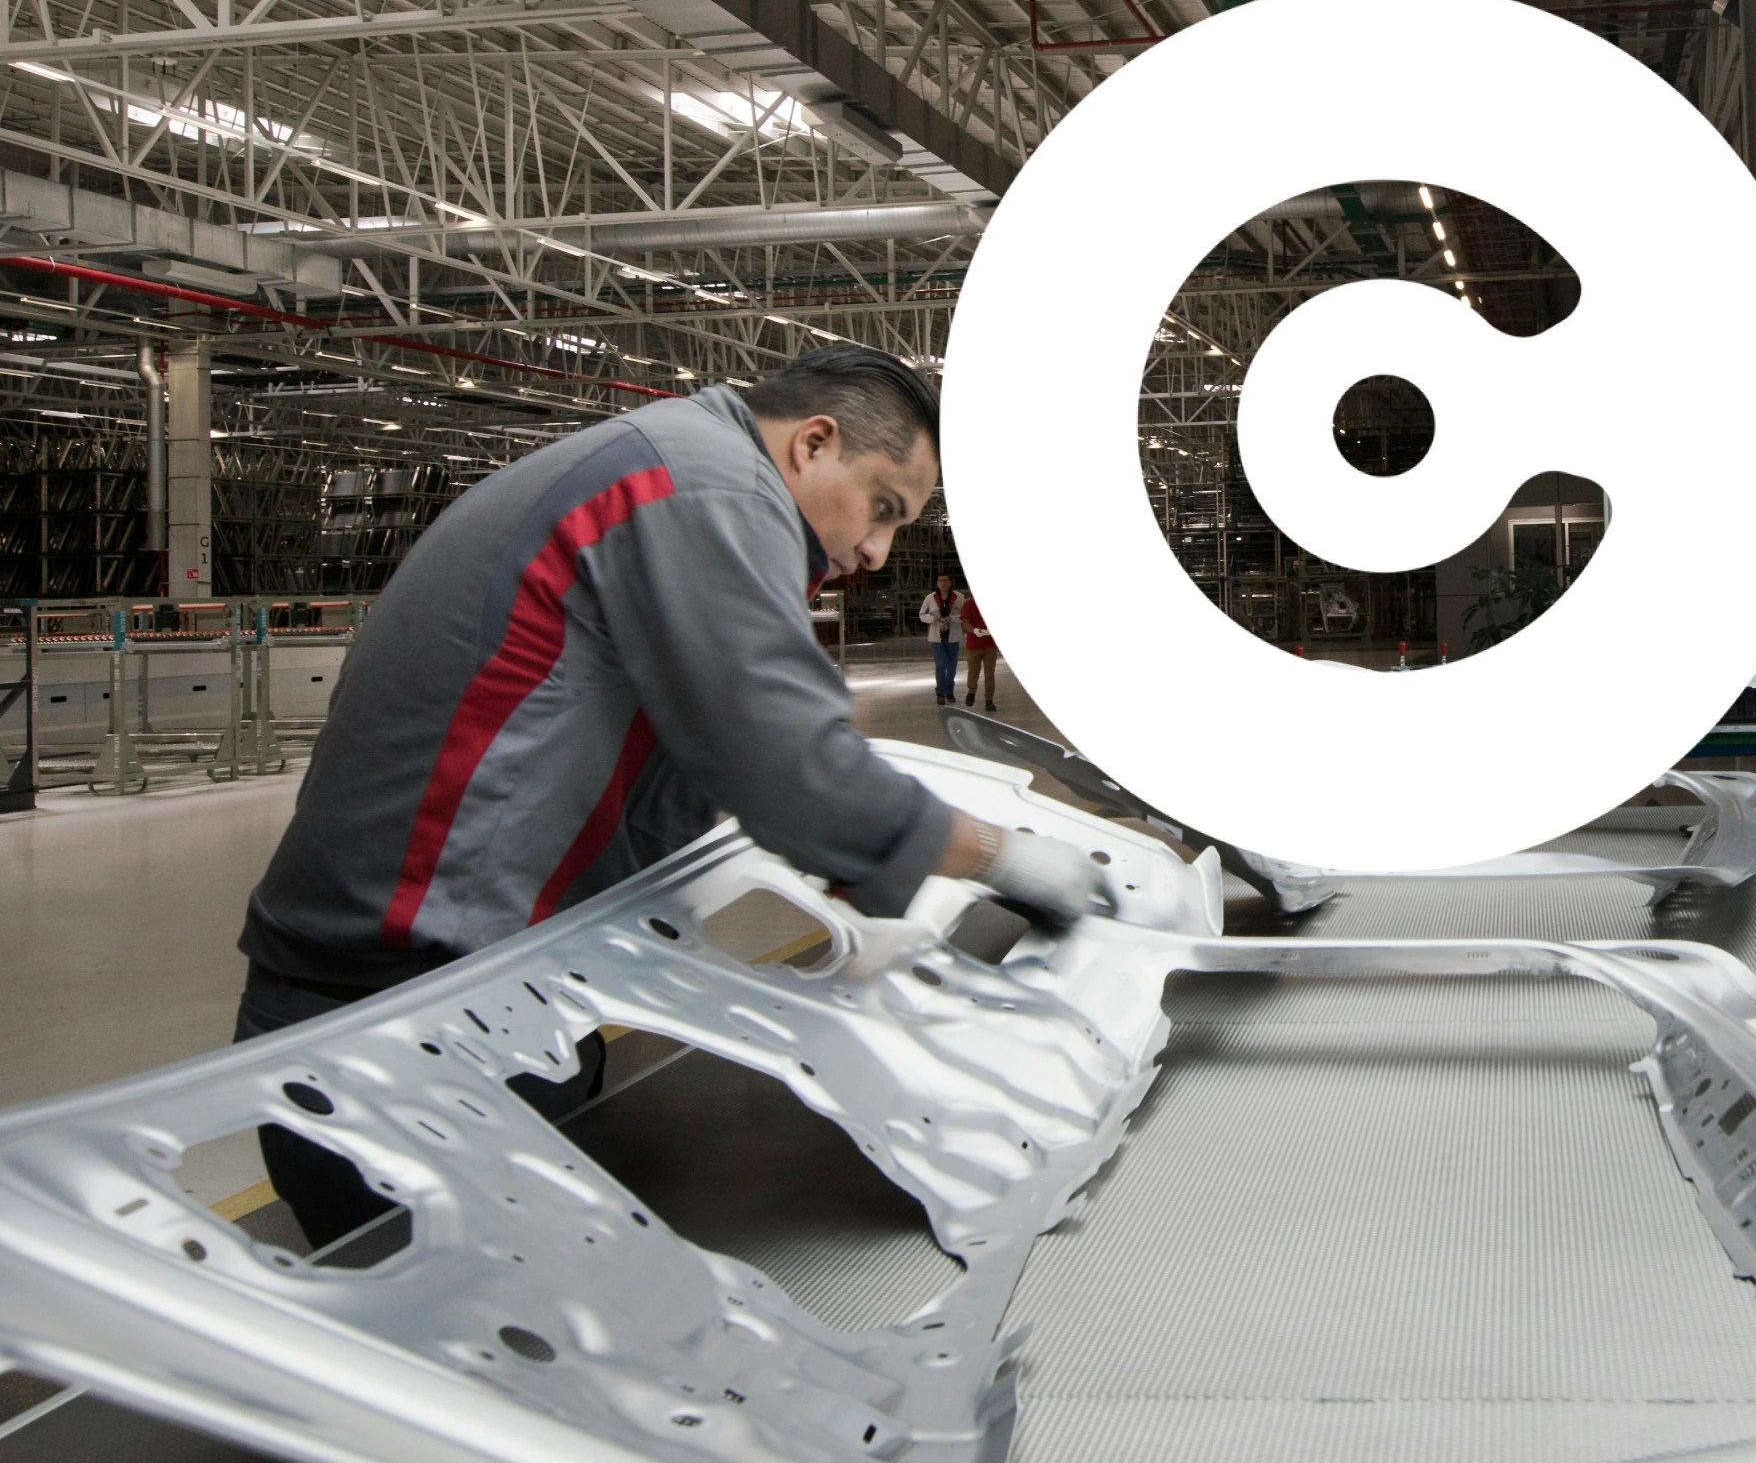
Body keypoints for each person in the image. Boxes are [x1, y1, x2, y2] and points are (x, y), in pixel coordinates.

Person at [229, 345, 1112, 1246]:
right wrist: (996, 856)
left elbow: (694, 769)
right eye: (882, 507)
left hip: (480, 994)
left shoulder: (672, 466)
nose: (877, 553)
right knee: (453, 1305)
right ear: (813, 443)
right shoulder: (706, 487)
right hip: (405, 1018)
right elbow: (791, 766)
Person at [920, 571, 966, 704]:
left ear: (950, 582)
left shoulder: (959, 597)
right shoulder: (930, 598)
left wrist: (952, 618)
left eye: (946, 580)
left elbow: (964, 615)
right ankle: (940, 692)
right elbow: (922, 615)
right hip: (936, 637)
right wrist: (932, 618)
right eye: (940, 581)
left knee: (952, 666)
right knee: (941, 664)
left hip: (953, 636)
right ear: (937, 583)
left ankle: (949, 692)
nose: (943, 583)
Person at [961, 586, 999, 713]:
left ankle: (989, 700)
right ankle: (971, 690)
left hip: (990, 645)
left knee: (990, 673)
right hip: (974, 645)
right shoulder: (969, 604)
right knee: (973, 671)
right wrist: (975, 630)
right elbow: (965, 623)